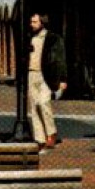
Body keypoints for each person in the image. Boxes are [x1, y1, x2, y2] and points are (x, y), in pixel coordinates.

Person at [28, 13, 68, 149]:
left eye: (34, 22)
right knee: (34, 107)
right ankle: (39, 138)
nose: (31, 25)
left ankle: (51, 132)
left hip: (47, 75)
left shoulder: (53, 39)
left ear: (42, 23)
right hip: (31, 74)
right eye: (31, 22)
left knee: (44, 102)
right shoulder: (29, 37)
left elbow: (60, 59)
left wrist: (63, 79)